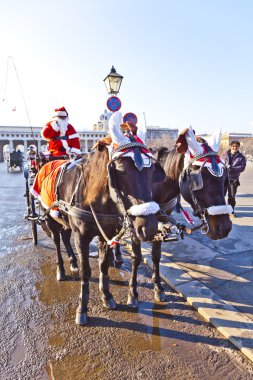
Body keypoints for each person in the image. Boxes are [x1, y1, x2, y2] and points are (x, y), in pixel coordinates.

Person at [222, 140, 246, 217]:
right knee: (221, 195)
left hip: (233, 179)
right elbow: (220, 163)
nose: (235, 147)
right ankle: (221, 211)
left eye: (236, 146)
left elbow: (242, 168)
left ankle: (230, 211)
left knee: (231, 196)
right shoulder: (224, 154)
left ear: (238, 147)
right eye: (233, 146)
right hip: (223, 178)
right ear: (230, 146)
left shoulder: (241, 157)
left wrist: (231, 168)